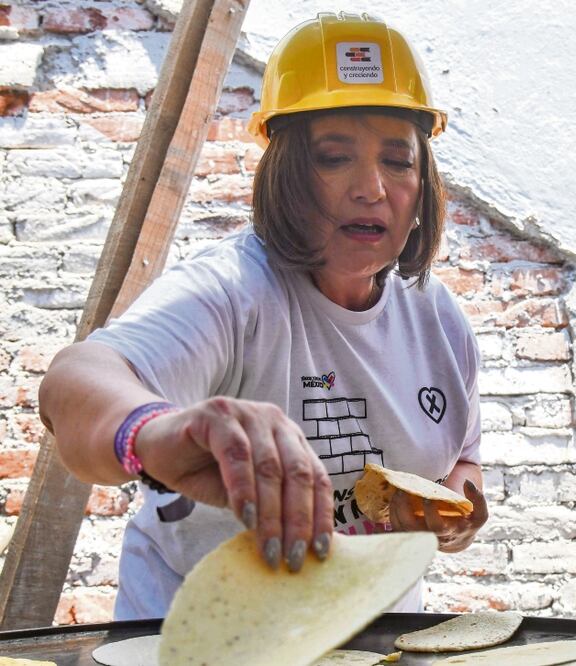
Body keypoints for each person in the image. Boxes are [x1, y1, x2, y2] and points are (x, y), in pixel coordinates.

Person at [38, 13, 488, 620]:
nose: (371, 188)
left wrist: (453, 508)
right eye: (334, 157)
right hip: (202, 647)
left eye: (398, 160)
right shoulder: (230, 292)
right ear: (286, 176)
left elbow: (459, 459)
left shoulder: (438, 319)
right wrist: (152, 431)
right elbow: (72, 384)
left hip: (374, 645)